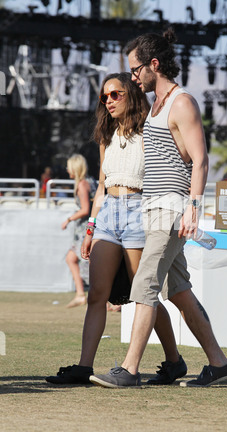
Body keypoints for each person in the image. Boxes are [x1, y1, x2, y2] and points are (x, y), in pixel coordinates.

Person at [89, 29, 227, 389]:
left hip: (171, 209)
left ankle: (129, 369)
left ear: (154, 64)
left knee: (145, 283)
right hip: (151, 209)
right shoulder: (156, 103)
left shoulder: (182, 102)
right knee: (178, 291)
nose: (133, 76)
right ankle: (218, 363)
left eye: (136, 69)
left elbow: (200, 160)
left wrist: (193, 208)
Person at [46, 72, 186, 385]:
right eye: (104, 97)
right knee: (97, 293)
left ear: (131, 95)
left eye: (115, 95)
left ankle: (174, 361)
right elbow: (100, 186)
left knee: (143, 293)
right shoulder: (106, 136)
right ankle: (84, 367)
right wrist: (91, 225)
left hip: (140, 211)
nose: (108, 101)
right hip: (109, 213)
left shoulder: (151, 129)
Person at [62, 154, 97, 308]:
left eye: (69, 167)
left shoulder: (82, 184)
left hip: (85, 229)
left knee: (89, 264)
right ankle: (80, 294)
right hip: (90, 227)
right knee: (71, 258)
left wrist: (69, 219)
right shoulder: (92, 181)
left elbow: (85, 210)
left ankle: (102, 297)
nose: (67, 170)